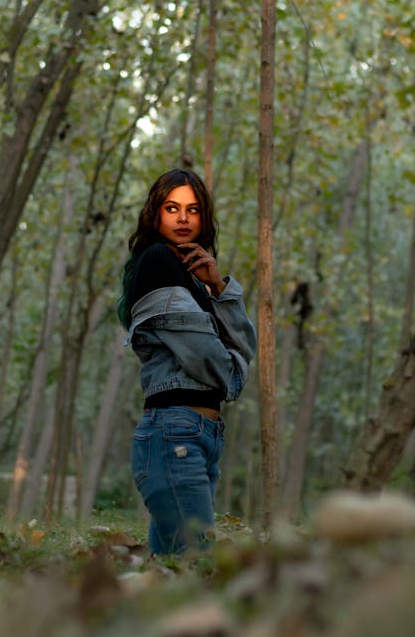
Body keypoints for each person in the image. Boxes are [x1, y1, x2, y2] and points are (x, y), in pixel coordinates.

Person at [118, 168, 257, 555]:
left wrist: (220, 288)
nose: (182, 218)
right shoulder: (160, 259)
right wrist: (230, 370)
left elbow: (243, 348)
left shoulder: (194, 275)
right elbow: (218, 366)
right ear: (155, 214)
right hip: (173, 433)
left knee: (170, 573)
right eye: (172, 208)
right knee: (196, 562)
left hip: (199, 437)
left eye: (193, 210)